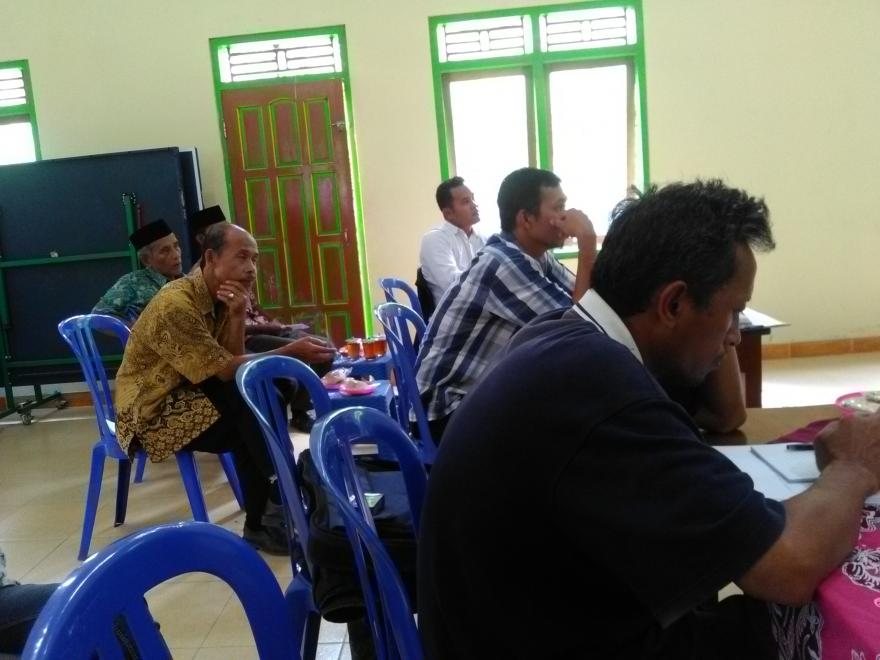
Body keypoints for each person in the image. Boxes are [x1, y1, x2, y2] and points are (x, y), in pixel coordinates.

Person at [417, 179, 880, 659]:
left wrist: (718, 318)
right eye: (733, 313)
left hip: (524, 627)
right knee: (805, 621)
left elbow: (726, 414)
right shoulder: (600, 388)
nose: (735, 338)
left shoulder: (564, 335)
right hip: (548, 641)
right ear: (673, 303)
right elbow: (789, 565)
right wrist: (855, 465)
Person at [114, 223, 336, 555]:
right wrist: (290, 351)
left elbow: (230, 364)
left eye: (255, 259)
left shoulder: (221, 296)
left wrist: (236, 316)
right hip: (152, 416)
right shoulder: (177, 303)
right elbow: (224, 371)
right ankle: (279, 497)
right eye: (242, 257)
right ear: (211, 258)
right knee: (250, 403)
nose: (251, 268)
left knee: (258, 396)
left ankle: (272, 507)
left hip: (190, 394)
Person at [415, 167, 596, 442]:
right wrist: (587, 244)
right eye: (558, 207)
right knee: (572, 418)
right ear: (525, 218)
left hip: (474, 395)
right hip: (445, 410)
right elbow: (580, 329)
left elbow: (588, 302)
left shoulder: (535, 256)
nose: (566, 216)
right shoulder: (502, 263)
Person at [92, 219, 182, 325]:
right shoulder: (133, 282)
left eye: (176, 246)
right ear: (147, 260)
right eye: (165, 251)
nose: (176, 255)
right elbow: (97, 317)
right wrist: (136, 329)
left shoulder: (186, 280)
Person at [418, 176, 485, 313]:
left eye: (473, 198)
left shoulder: (483, 239)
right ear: (448, 214)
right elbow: (453, 285)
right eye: (466, 201)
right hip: (452, 318)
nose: (474, 205)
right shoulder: (435, 239)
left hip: (481, 312)